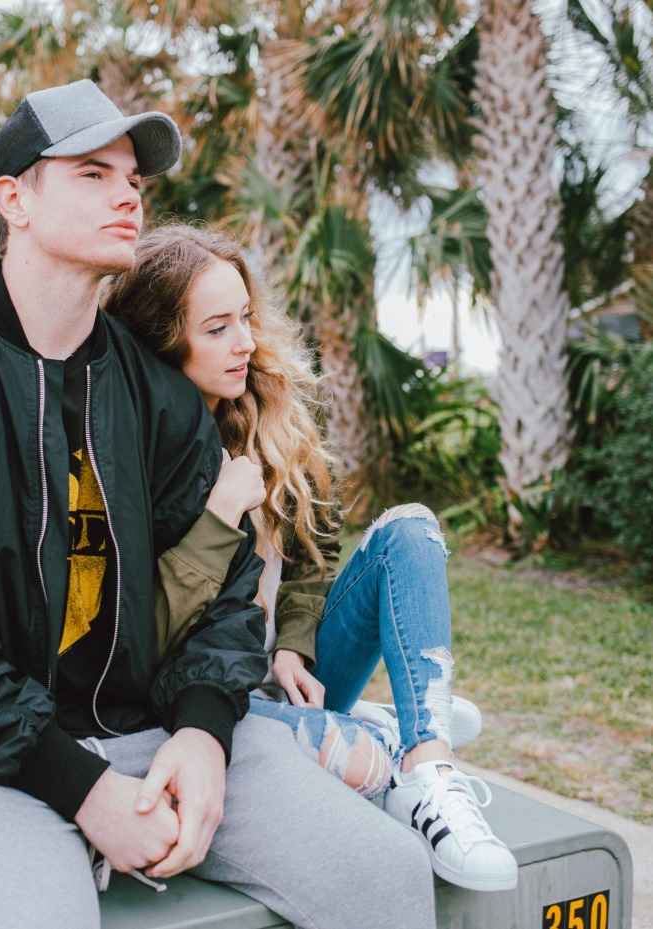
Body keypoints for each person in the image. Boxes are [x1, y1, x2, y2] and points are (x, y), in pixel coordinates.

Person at [0, 80, 436, 929]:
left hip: (153, 727)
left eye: (135, 182)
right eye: (90, 172)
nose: (126, 194)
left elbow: (225, 594)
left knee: (389, 879)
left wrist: (202, 732)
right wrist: (81, 788)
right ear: (15, 200)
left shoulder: (160, 399)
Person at [101, 221, 520, 894]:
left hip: (295, 675)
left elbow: (316, 549)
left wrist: (295, 645)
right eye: (216, 329)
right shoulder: (131, 453)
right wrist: (218, 517)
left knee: (409, 531)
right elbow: (143, 638)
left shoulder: (266, 409)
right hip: (211, 704)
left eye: (244, 317)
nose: (245, 342)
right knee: (354, 759)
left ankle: (429, 764)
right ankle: (397, 727)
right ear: (159, 342)